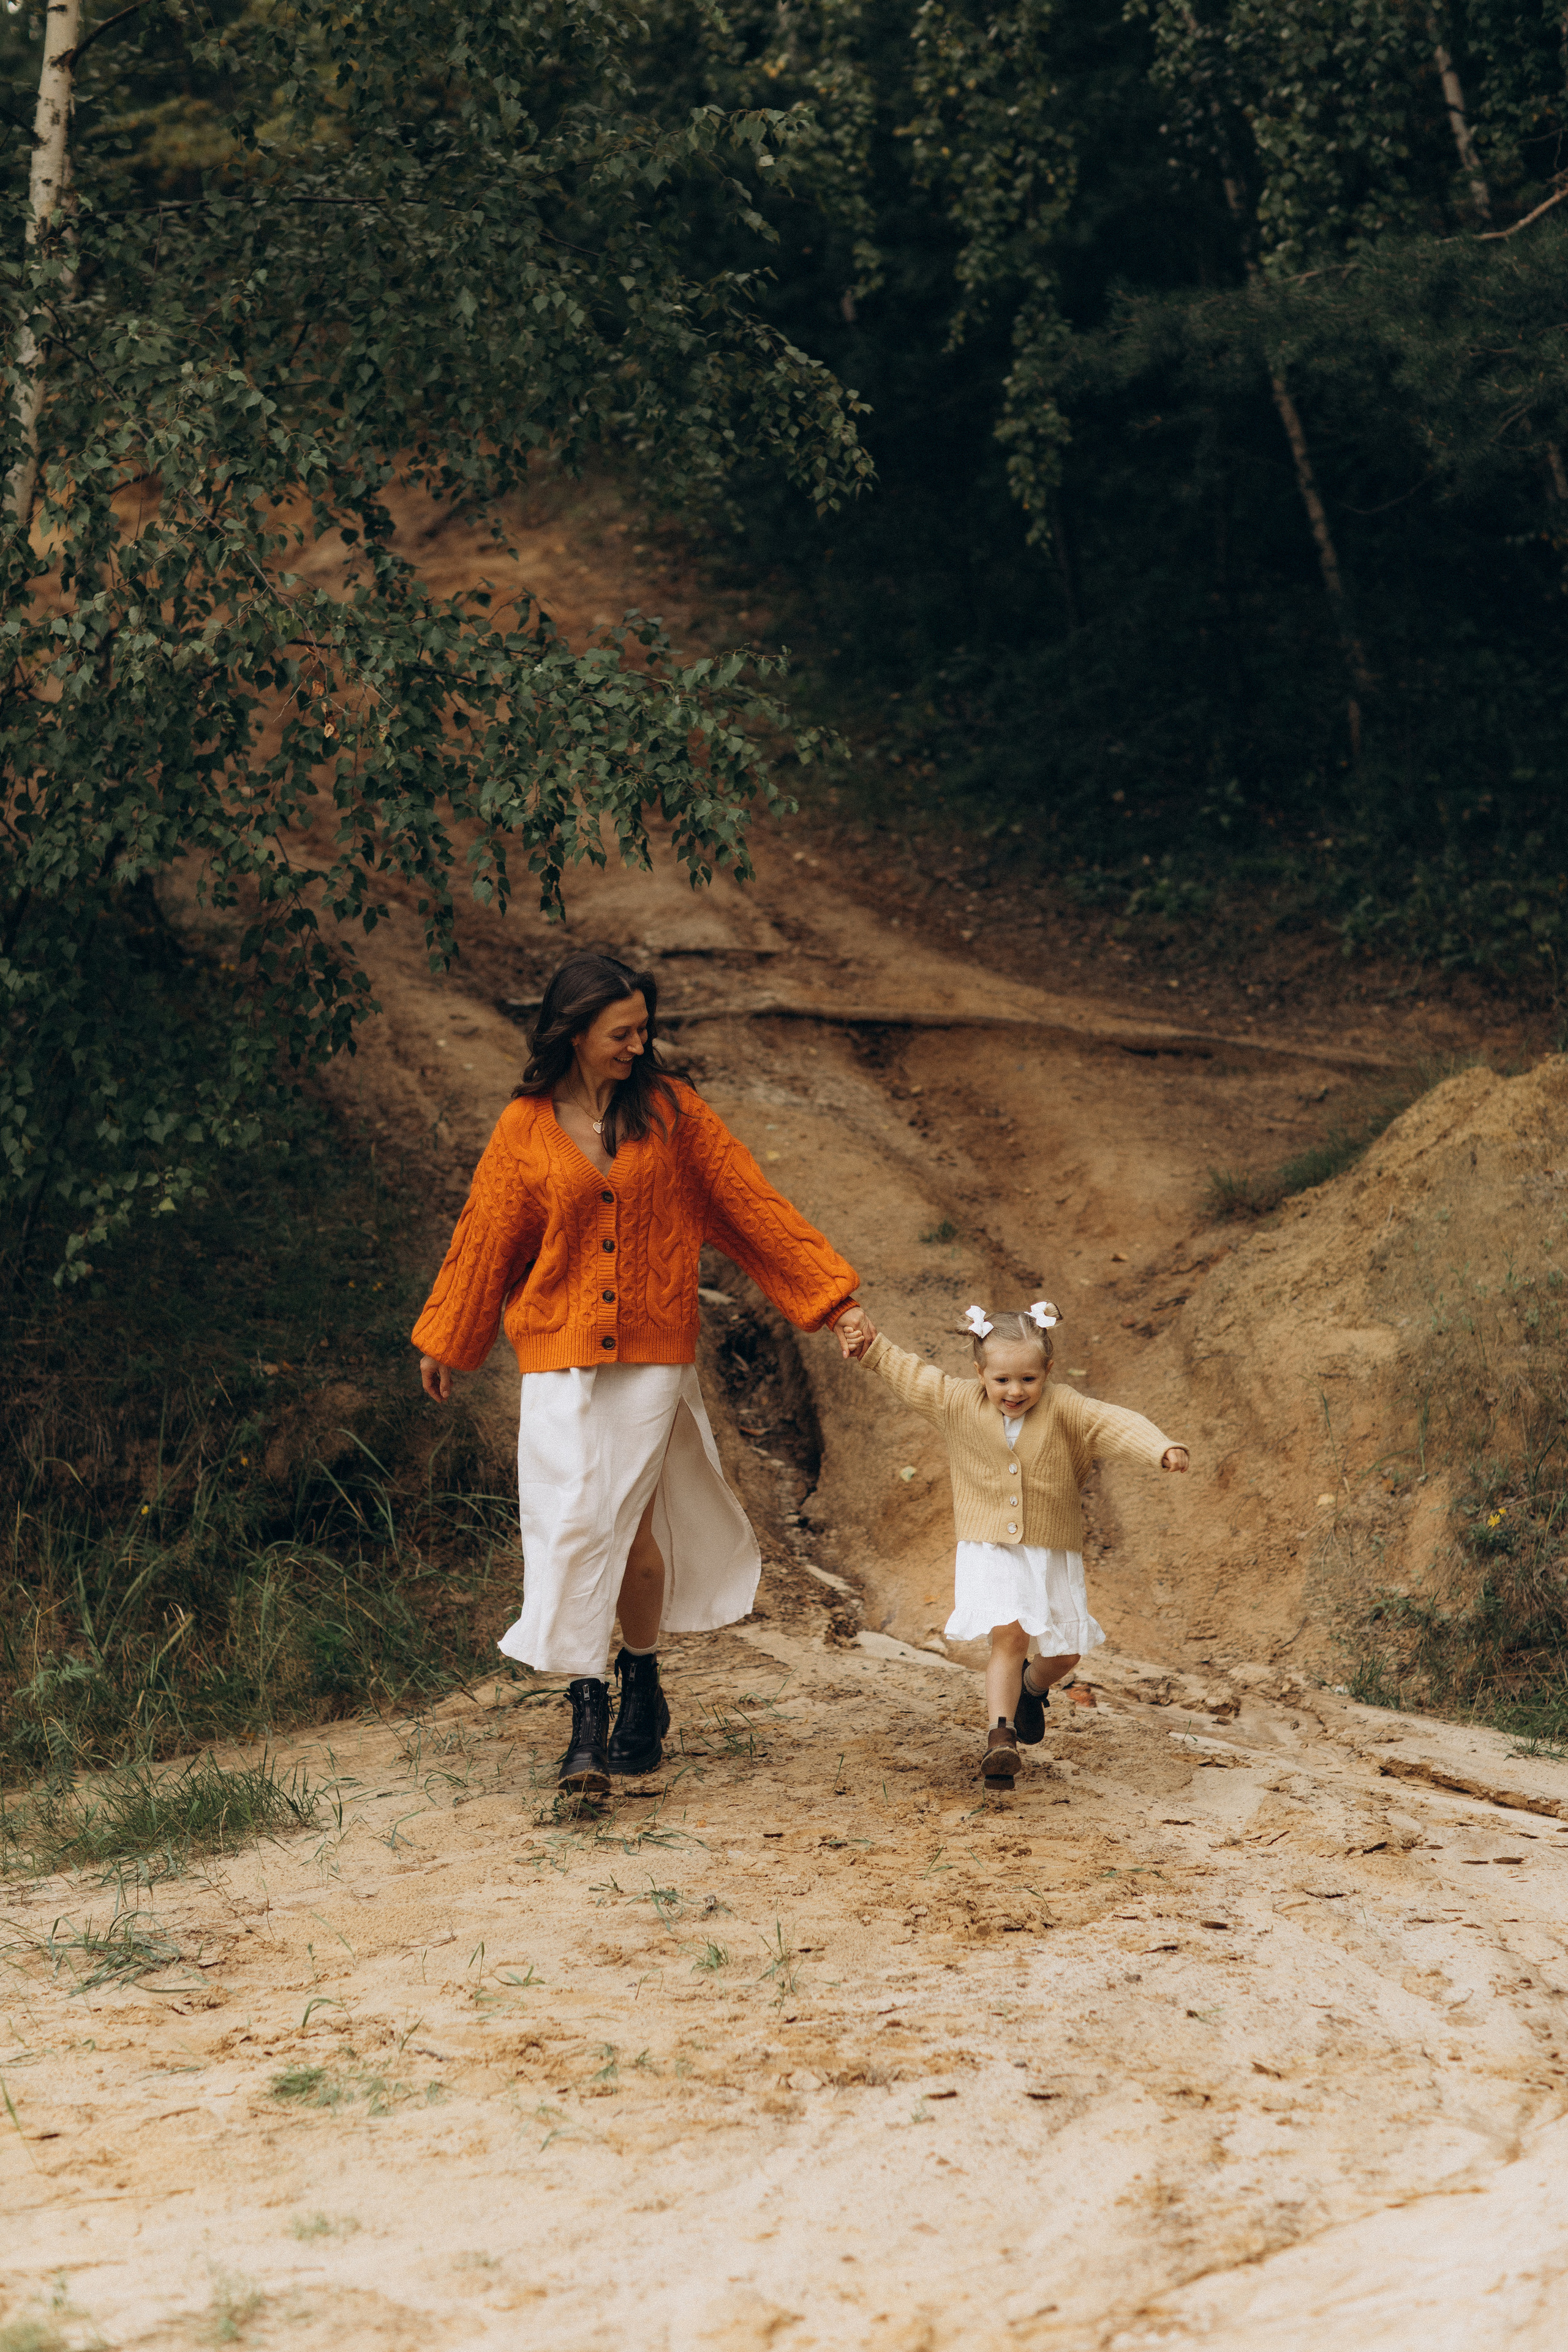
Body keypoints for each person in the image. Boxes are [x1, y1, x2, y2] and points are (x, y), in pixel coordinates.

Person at [412, 951, 875, 1795]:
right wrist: (450, 1336)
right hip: (556, 1349)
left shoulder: (673, 1114)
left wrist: (831, 1299)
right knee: (572, 1523)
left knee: (625, 1530)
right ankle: (592, 1706)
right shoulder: (524, 1127)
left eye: (643, 1030)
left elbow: (751, 1206)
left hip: (653, 1353)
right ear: (575, 1033)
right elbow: (488, 1238)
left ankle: (638, 1683)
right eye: (622, 1032)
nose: (639, 1044)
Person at [850, 1299, 1188, 1790]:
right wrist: (873, 1346)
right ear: (980, 1373)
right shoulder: (956, 1402)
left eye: (1028, 1380)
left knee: (1067, 1654)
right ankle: (1000, 1738)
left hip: (1051, 1548)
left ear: (1047, 1371)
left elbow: (1112, 1422)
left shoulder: (1065, 1406)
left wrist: (1161, 1447)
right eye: (1002, 1380)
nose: (1014, 1391)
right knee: (1008, 1638)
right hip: (991, 1546)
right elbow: (911, 1375)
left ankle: (1032, 1689)